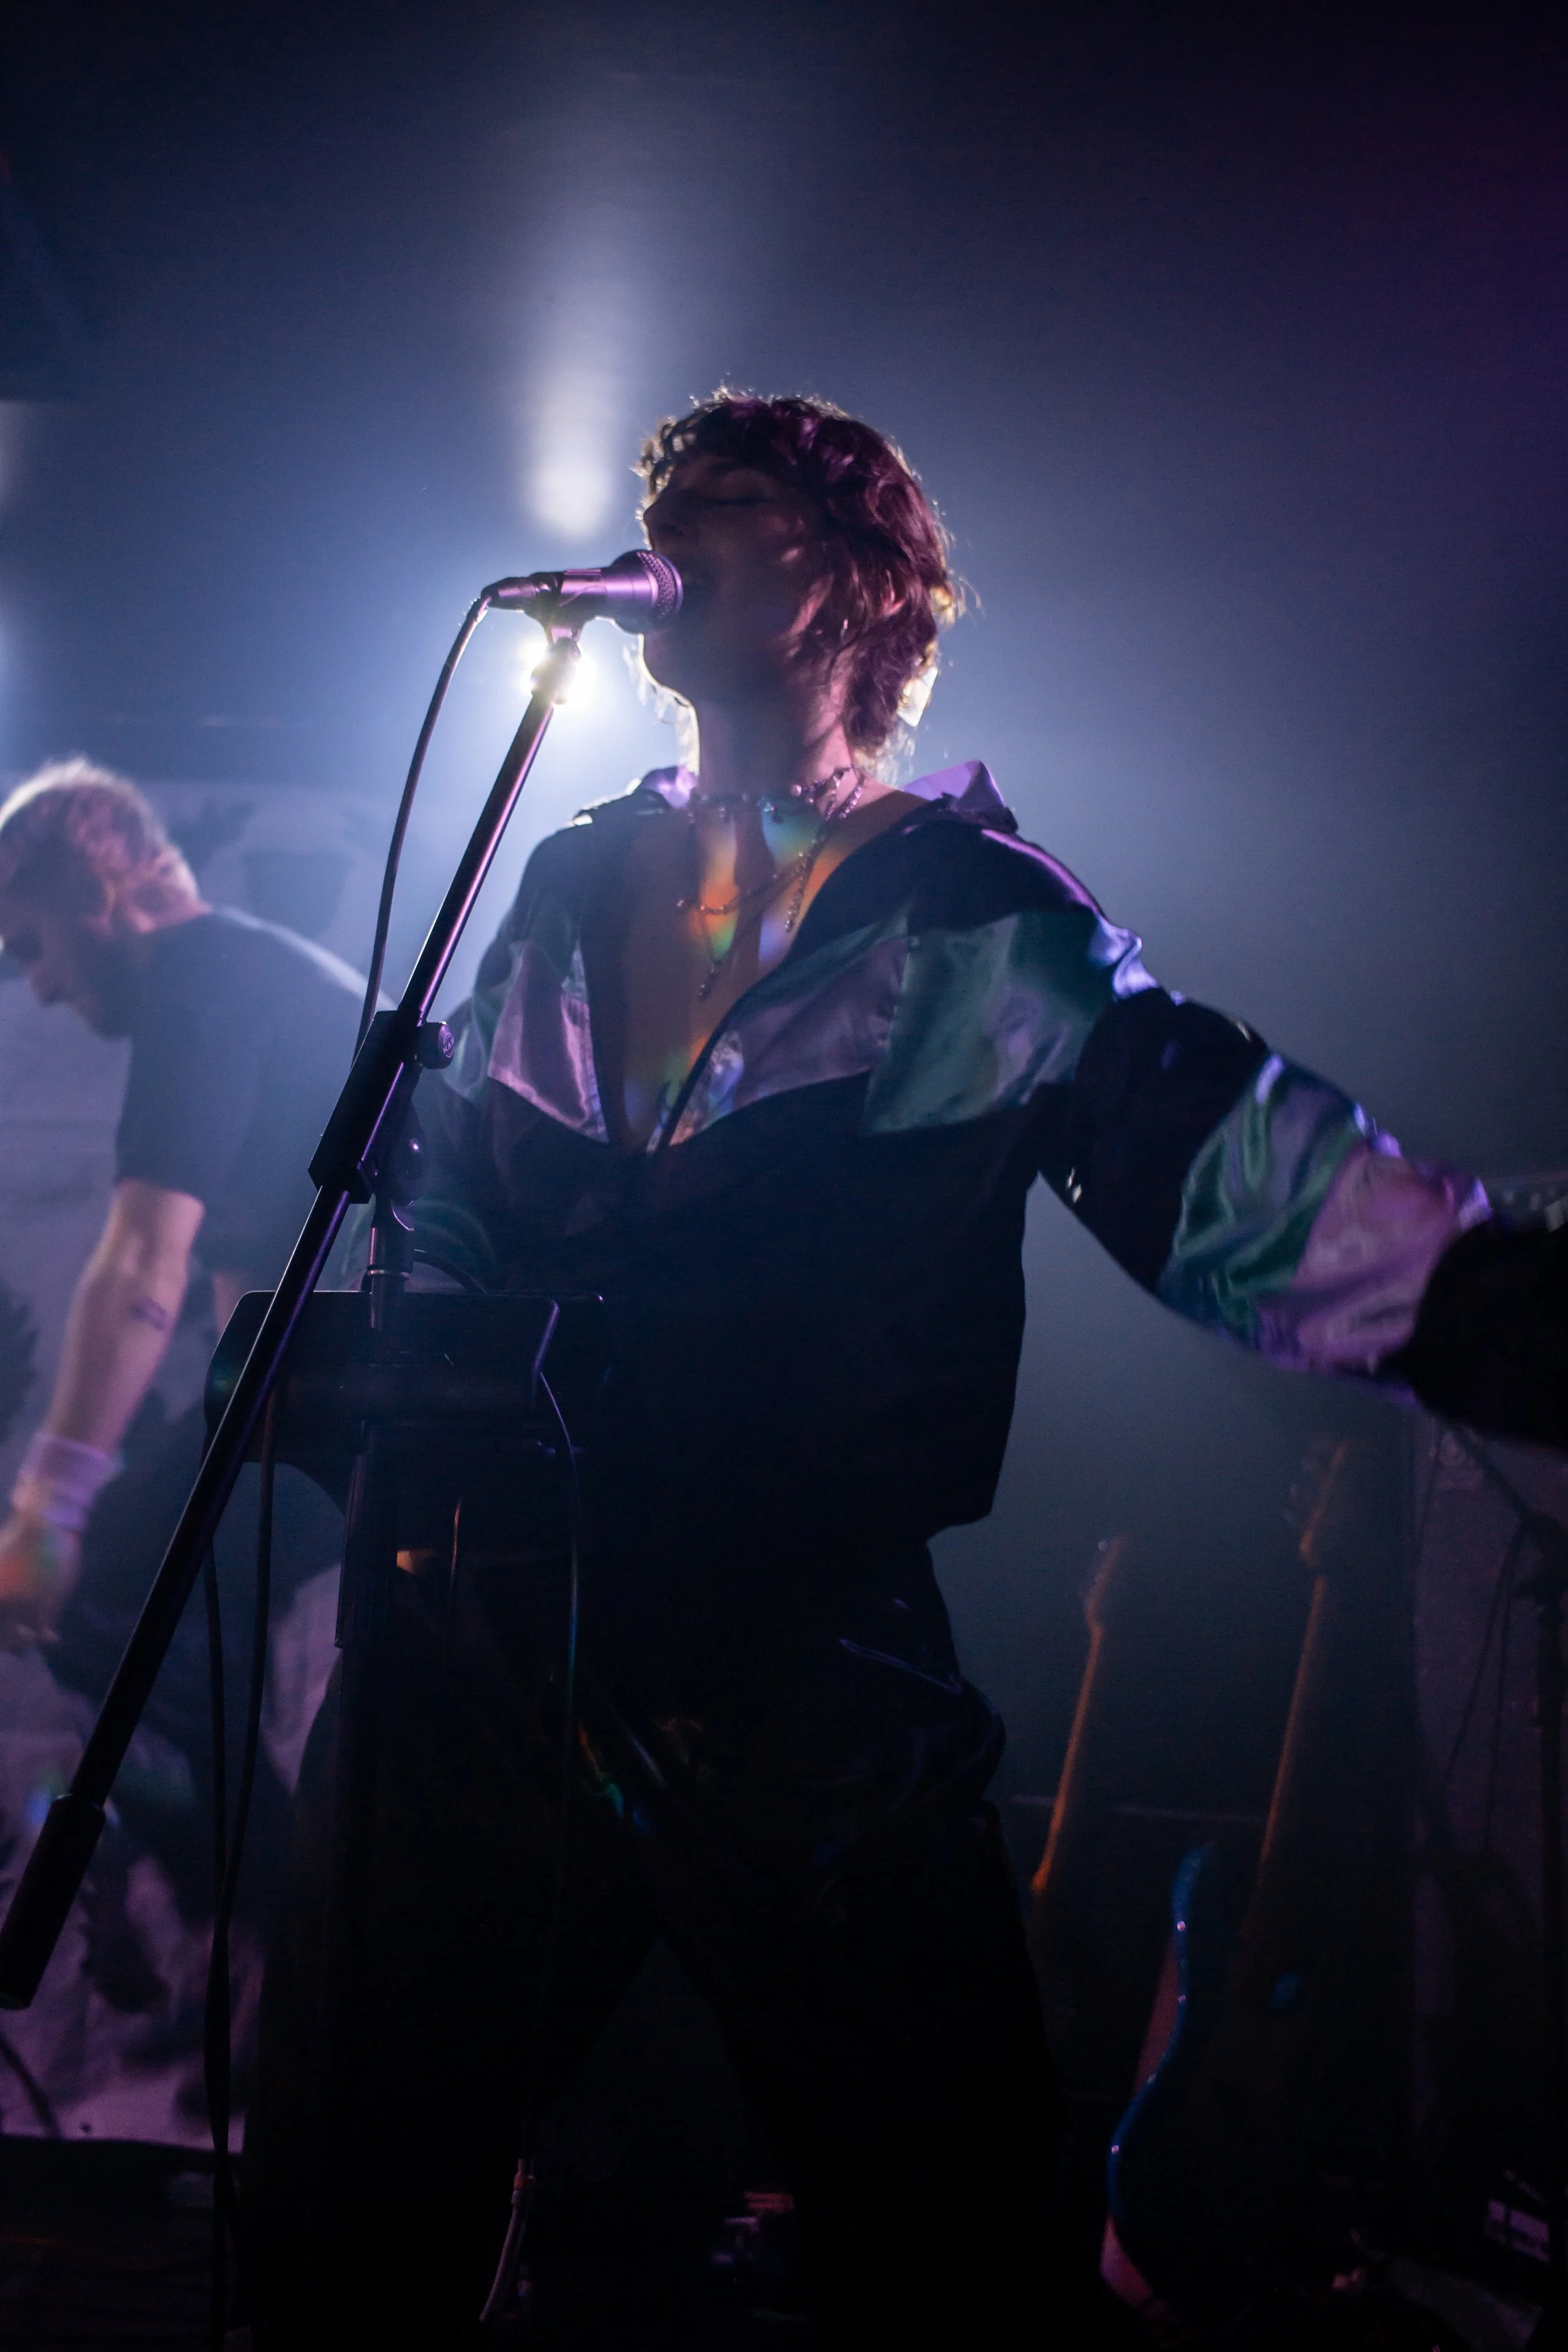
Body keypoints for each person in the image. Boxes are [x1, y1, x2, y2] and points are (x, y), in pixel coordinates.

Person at [245, 392, 1567, 2349]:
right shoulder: (564, 886)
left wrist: (1498, 1306)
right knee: (357, 2168)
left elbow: (1221, 1166)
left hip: (791, 1654)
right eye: (663, 500)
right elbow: (438, 1201)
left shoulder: (954, 928)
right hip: (497, 1625)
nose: (676, 526)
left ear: (859, 582)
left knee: (939, 2199)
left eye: (739, 503)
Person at [0, 763, 359, 1776]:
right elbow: (235, 1311)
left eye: (33, 946)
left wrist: (46, 1513)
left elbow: (141, 1265)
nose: (41, 984)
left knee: (108, 1580)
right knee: (171, 1593)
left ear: (92, 889)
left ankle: (249, 1907)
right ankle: (252, 1883)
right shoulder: (248, 978)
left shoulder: (203, 977)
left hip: (395, 1385)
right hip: (359, 1390)